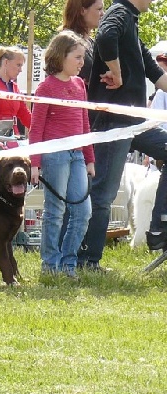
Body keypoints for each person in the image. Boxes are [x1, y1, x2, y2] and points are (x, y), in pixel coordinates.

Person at [78, 0, 167, 269]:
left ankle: (159, 227)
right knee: (103, 194)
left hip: (136, 122)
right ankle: (87, 260)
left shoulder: (131, 21)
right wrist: (116, 73)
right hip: (113, 123)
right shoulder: (120, 12)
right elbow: (105, 36)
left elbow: (156, 74)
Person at [29, 30, 95, 278]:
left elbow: (85, 124)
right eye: (77, 57)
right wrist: (35, 164)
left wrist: (89, 158)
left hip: (77, 155)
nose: (81, 63)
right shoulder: (46, 88)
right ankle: (50, 265)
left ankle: (69, 263)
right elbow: (36, 128)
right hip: (54, 155)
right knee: (55, 211)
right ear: (61, 56)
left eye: (82, 57)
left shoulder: (80, 85)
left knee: (83, 211)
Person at [62, 0, 105, 85]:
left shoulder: (91, 42)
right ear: (82, 11)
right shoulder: (68, 43)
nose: (103, 14)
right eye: (99, 9)